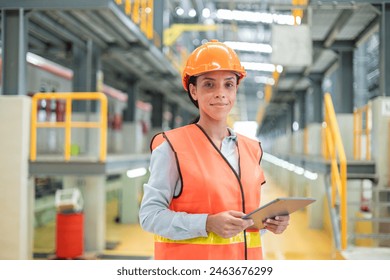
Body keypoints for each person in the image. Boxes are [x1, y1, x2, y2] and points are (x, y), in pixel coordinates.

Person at [139, 40, 290, 260]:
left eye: (228, 84)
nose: (220, 93)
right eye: (209, 85)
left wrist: (269, 223)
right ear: (193, 90)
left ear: (235, 89)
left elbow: (244, 222)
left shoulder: (251, 149)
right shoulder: (172, 148)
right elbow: (149, 216)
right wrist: (207, 223)